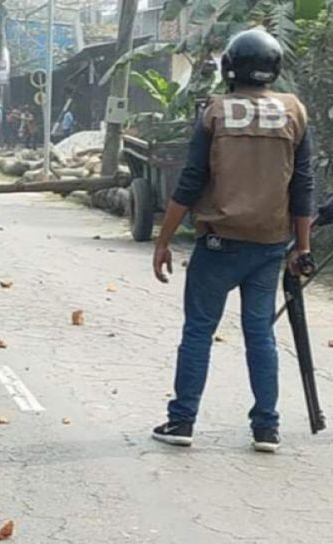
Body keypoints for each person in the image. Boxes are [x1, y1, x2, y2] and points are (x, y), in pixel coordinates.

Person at [151, 28, 315, 453]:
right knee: (260, 333)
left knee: (199, 332)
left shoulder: (215, 112)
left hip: (219, 245)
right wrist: (303, 248)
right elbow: (303, 185)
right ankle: (266, 427)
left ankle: (182, 420)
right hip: (269, 247)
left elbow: (190, 182)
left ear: (230, 68)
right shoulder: (295, 111)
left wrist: (163, 240)